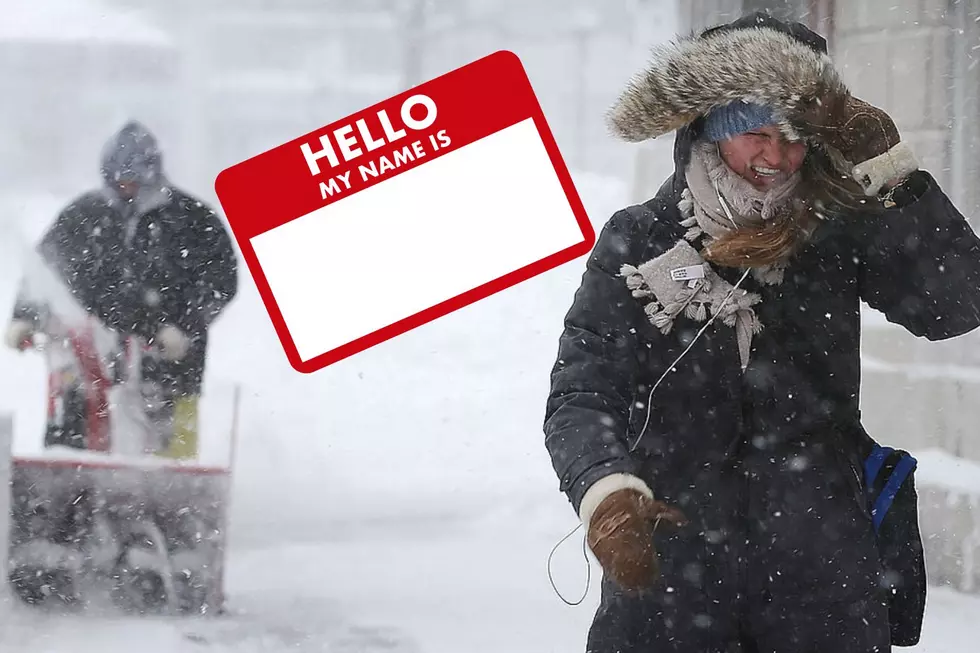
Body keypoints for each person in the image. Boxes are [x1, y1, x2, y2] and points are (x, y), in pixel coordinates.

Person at [543, 12, 980, 653]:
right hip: (671, 581)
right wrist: (606, 492)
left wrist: (893, 171)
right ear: (708, 127)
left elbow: (956, 302)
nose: (775, 157)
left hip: (821, 583)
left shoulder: (838, 231)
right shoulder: (640, 239)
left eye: (795, 136)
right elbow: (583, 392)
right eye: (753, 133)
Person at [5, 119, 238, 459]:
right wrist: (25, 316)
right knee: (72, 446)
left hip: (171, 366)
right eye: (118, 181)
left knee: (169, 458)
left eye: (132, 181)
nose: (124, 188)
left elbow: (221, 283)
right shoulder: (83, 216)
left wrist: (184, 328)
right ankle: (70, 494)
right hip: (89, 360)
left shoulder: (193, 220)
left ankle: (169, 502)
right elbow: (44, 271)